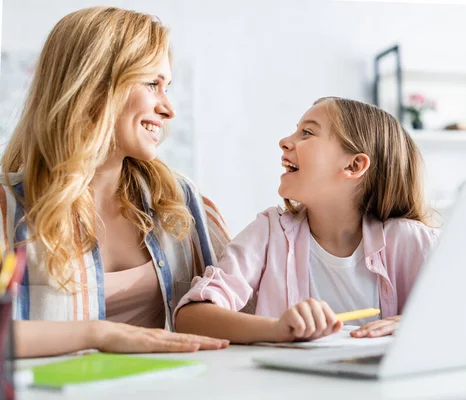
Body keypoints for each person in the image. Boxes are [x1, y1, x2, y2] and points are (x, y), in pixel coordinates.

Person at [0, 6, 230, 358]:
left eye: (167, 86)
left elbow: (248, 308)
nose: (169, 109)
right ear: (94, 85)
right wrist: (97, 334)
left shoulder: (181, 202)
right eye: (152, 84)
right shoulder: (7, 210)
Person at [176, 97, 438, 343]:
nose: (284, 141)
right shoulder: (269, 233)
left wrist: (418, 323)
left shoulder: (411, 241)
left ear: (354, 166)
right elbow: (190, 318)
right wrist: (276, 329)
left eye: (307, 133)